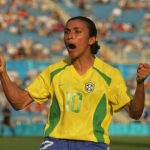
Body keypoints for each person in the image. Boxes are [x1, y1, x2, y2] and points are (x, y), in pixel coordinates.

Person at [0, 16, 150, 150]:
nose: (70, 36)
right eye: (66, 32)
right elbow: (19, 102)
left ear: (91, 39)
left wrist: (140, 84)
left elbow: (135, 113)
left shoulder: (110, 75)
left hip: (93, 144)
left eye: (77, 31)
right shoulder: (53, 72)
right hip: (55, 143)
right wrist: (2, 73)